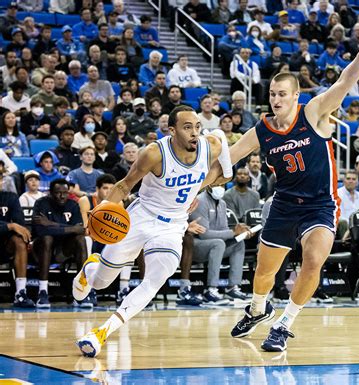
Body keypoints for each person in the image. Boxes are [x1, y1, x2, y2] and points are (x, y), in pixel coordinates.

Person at [226, 23, 359, 352]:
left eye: (282, 94)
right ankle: (258, 310)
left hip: (320, 205)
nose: (276, 99)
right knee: (263, 273)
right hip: (284, 205)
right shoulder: (263, 129)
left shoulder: (314, 111)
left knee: (313, 260)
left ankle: (284, 324)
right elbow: (228, 160)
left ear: (295, 96)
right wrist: (191, 183)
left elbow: (345, 81)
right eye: (272, 94)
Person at [73, 105, 230, 357]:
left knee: (155, 280)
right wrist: (102, 210)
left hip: (172, 226)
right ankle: (89, 269)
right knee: (101, 283)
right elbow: (124, 186)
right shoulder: (154, 153)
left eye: (197, 127)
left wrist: (198, 188)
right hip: (141, 217)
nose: (194, 133)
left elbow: (221, 169)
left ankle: (102, 332)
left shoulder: (210, 146)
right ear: (171, 130)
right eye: (187, 127)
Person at [32, 178, 88, 308]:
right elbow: (40, 230)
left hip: (62, 250)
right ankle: (43, 292)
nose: (62, 196)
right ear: (50, 192)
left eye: (65, 192)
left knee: (81, 239)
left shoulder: (73, 205)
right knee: (47, 238)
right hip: (40, 250)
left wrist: (51, 224)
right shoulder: (41, 203)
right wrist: (70, 228)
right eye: (58, 192)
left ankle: (81, 291)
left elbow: (80, 229)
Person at [0, 190, 34, 307]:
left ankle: (20, 293)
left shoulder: (11, 197)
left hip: (4, 244)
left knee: (20, 241)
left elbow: (20, 223)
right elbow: (14, 225)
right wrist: (10, 226)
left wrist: (13, 227)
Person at [78, 173, 117, 254]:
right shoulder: (85, 201)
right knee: (87, 239)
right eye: (105, 188)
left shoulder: (118, 202)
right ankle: (87, 264)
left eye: (112, 189)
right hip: (91, 236)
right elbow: (85, 227)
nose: (109, 191)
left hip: (108, 236)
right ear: (97, 189)